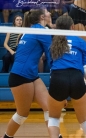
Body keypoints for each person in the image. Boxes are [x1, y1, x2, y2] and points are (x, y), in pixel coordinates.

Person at [1, 9, 52, 138]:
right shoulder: (41, 31)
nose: (50, 13)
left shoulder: (29, 30)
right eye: (47, 12)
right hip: (20, 76)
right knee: (22, 114)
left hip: (32, 74)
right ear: (42, 17)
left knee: (49, 108)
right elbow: (52, 56)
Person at [48, 15, 86, 138]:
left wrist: (61, 95)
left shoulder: (54, 43)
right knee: (85, 120)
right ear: (72, 27)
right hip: (76, 78)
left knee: (54, 118)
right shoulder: (80, 41)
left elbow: (52, 69)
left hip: (57, 78)